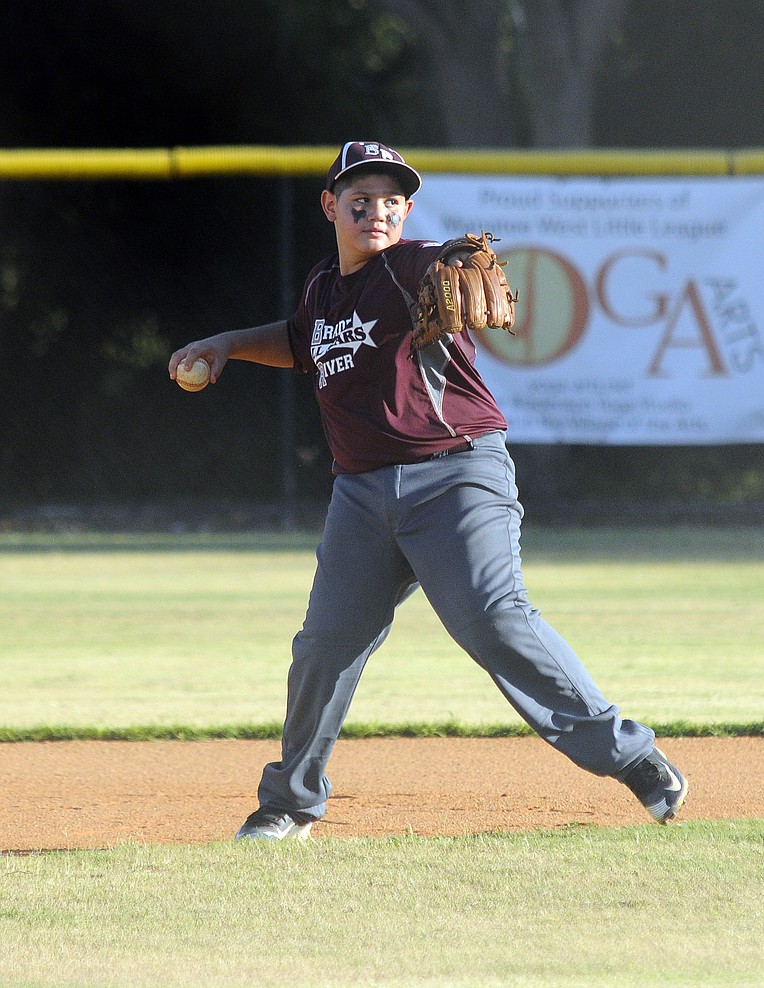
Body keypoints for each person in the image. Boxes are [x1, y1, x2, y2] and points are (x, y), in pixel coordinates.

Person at [169, 140, 688, 840]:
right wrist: (226, 343)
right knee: (326, 644)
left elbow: (442, 260)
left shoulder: (408, 268)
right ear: (330, 205)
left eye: (391, 198)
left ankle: (635, 759)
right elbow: (299, 339)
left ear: (406, 211)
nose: (375, 208)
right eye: (360, 194)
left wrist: (453, 259)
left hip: (457, 476)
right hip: (360, 497)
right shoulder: (324, 288)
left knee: (492, 619)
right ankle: (290, 804)